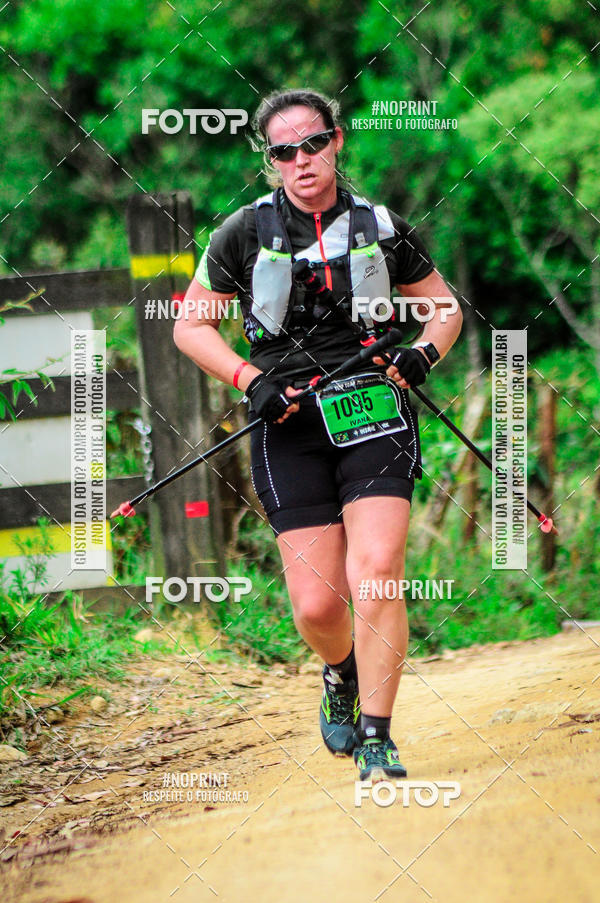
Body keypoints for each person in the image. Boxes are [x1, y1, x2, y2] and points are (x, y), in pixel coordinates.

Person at [174, 88, 462, 782]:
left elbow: (445, 308)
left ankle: (377, 736)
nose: (301, 160)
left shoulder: (380, 226)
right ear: (269, 160)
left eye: (312, 143)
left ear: (335, 142)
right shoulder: (242, 231)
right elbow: (190, 325)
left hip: (372, 408)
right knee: (316, 605)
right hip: (288, 421)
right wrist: (250, 379)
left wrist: (422, 354)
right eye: (284, 151)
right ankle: (341, 671)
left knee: (378, 574)